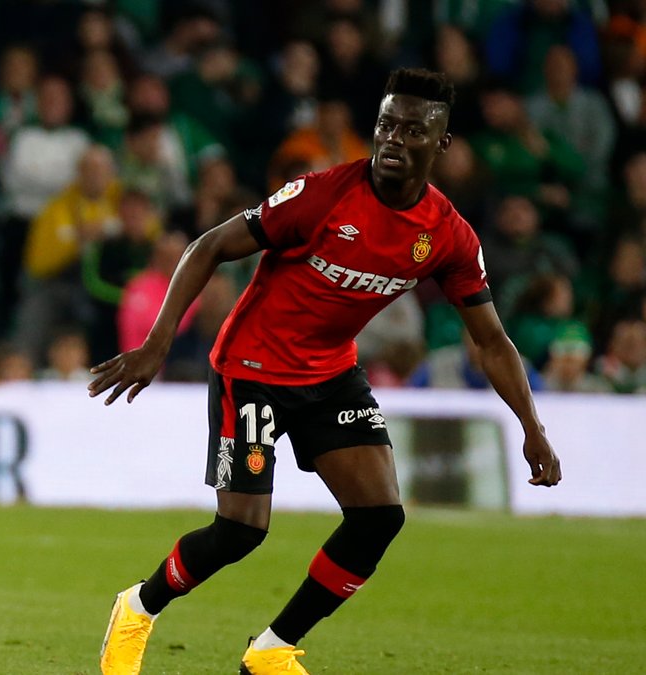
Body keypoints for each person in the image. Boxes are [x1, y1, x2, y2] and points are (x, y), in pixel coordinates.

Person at [92, 69, 562, 675]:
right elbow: (207, 246)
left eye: (413, 130)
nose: (394, 140)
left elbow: (491, 340)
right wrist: (157, 344)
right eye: (386, 125)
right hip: (253, 367)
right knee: (240, 531)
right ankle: (138, 606)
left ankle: (271, 650)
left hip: (331, 373)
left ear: (441, 143)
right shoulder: (321, 195)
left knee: (379, 518)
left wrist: (532, 426)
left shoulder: (447, 235)